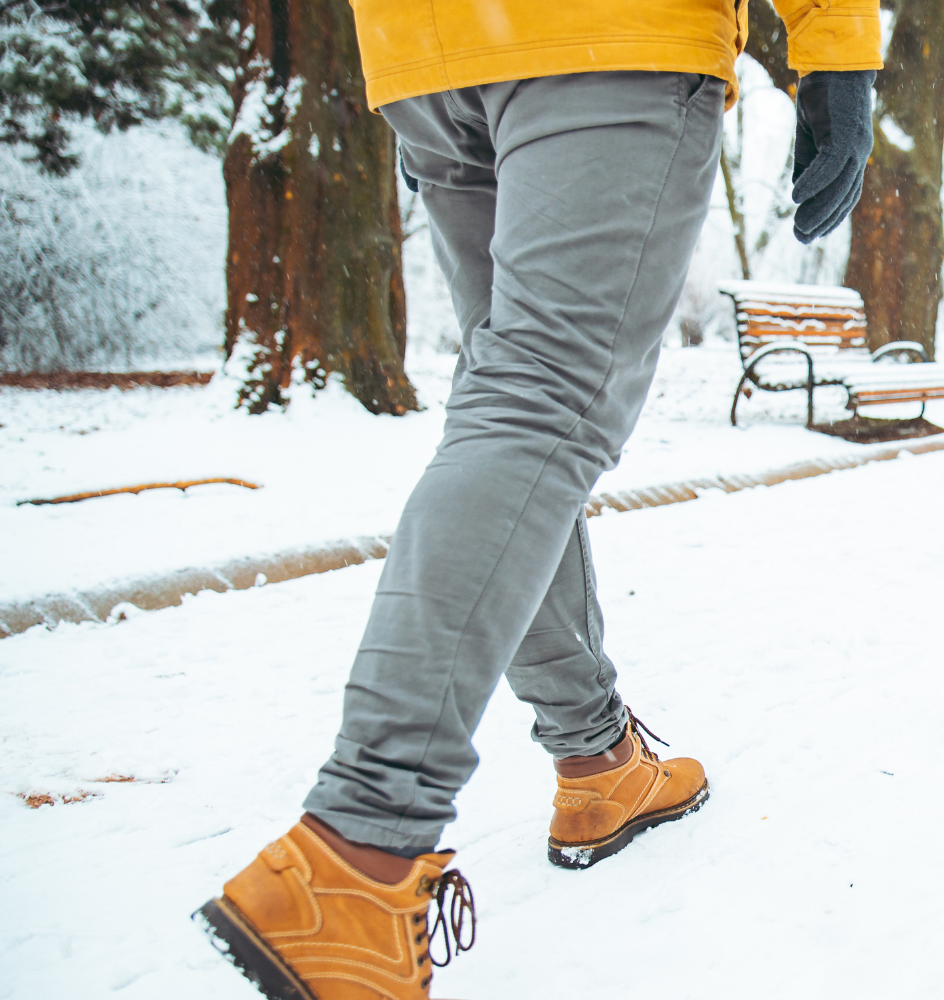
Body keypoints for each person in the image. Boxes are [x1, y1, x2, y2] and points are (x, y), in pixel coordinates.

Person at [192, 2, 881, 997]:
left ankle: (596, 757)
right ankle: (359, 846)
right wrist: (837, 51)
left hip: (428, 50)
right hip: (609, 34)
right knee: (537, 409)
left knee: (510, 409)